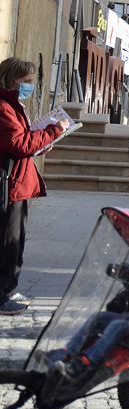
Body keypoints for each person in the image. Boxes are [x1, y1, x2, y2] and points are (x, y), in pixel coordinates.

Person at [0, 58, 69, 315]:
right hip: (8, 184)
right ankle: (2, 295)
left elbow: (25, 142)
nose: (30, 86)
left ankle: (8, 288)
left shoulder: (14, 105)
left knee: (17, 241)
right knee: (8, 241)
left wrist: (42, 143)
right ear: (11, 79)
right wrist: (52, 131)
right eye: (26, 81)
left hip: (18, 183)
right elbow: (17, 144)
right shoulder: (4, 108)